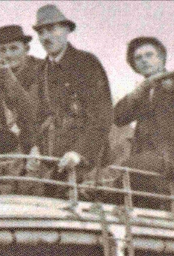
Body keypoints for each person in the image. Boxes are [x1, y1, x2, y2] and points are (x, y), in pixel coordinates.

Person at [22, 5, 113, 186]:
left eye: (51, 29)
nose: (46, 37)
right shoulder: (42, 70)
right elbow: (37, 117)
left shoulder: (87, 63)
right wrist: (35, 148)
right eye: (41, 32)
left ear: (66, 30)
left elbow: (102, 116)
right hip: (53, 163)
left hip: (87, 164)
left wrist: (79, 153)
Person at [113, 36, 174, 203]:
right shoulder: (144, 92)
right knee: (126, 191)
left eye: (149, 55)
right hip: (149, 162)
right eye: (138, 58)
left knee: (125, 168)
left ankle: (105, 194)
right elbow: (118, 118)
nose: (144, 61)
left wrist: (167, 84)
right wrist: (140, 89)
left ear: (161, 59)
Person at [0, 25, 43, 143]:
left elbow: (32, 113)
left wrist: (8, 76)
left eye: (14, 48)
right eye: (2, 50)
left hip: (42, 139)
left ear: (26, 48)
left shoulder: (42, 70)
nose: (8, 55)